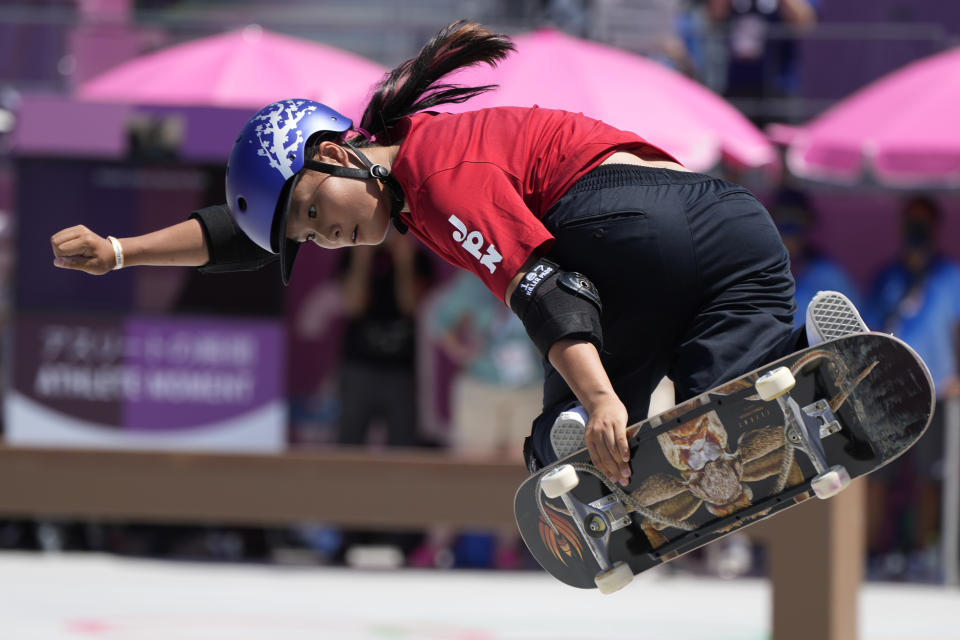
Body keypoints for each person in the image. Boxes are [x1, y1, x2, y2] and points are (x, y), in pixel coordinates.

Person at [50, 20, 865, 486]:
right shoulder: (428, 157)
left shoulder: (435, 175)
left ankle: (577, 436)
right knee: (731, 400)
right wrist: (122, 251)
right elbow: (243, 234)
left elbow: (545, 285)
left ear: (335, 155)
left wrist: (602, 399)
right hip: (736, 225)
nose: (322, 235)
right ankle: (815, 366)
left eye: (311, 212)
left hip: (628, 228)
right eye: (305, 237)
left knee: (560, 438)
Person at [863, 195, 960, 580]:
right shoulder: (889, 276)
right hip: (888, 394)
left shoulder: (951, 276)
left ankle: (922, 552)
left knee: (928, 478)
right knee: (878, 477)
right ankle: (873, 553)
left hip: (936, 392)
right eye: (911, 222)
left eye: (924, 223)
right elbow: (871, 330)